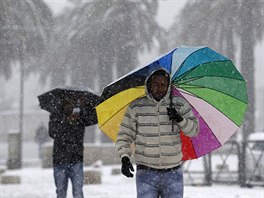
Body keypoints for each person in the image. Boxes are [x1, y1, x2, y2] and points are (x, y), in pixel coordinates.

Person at [116, 68, 199, 198]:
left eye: (163, 84)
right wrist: (124, 157)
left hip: (173, 172)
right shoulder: (136, 107)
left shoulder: (179, 104)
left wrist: (180, 119)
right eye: (155, 84)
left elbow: (194, 131)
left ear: (168, 85)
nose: (159, 88)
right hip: (146, 172)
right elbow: (124, 136)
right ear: (149, 84)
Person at [48, 97, 95, 198]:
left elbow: (93, 118)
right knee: (60, 192)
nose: (70, 105)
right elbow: (52, 133)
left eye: (72, 102)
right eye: (68, 102)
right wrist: (66, 121)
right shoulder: (56, 115)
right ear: (63, 103)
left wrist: (86, 106)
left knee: (78, 192)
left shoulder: (81, 116)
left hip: (76, 159)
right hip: (59, 160)